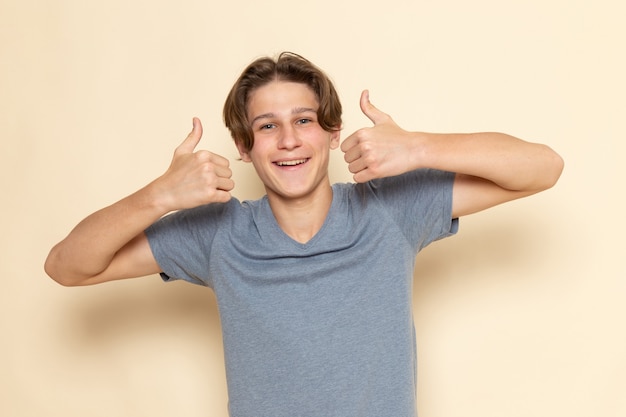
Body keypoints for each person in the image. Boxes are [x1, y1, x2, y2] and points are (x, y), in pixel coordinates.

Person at [45, 52, 564, 417]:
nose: (289, 139)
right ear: (244, 147)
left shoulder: (389, 211)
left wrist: (419, 148)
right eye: (267, 125)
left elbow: (542, 168)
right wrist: (159, 195)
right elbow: (67, 266)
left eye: (305, 120)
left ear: (333, 133)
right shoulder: (219, 233)